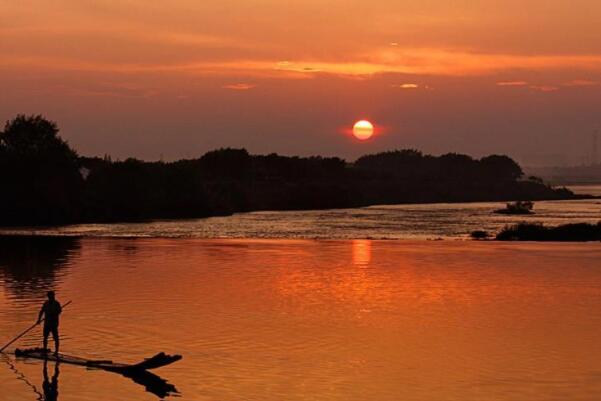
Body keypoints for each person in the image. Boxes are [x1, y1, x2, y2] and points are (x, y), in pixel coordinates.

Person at [37, 291, 62, 355]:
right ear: (48, 296)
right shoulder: (46, 303)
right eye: (50, 296)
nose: (51, 297)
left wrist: (54, 313)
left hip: (54, 324)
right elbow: (41, 311)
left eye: (52, 296)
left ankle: (56, 351)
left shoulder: (56, 303)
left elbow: (59, 311)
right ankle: (45, 350)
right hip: (47, 324)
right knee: (45, 337)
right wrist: (39, 320)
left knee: (56, 338)